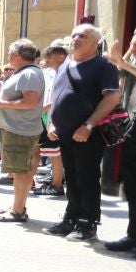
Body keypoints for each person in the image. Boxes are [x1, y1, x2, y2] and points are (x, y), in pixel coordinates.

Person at [43, 24, 122, 242]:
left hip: (87, 133)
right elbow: (57, 96)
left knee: (87, 177)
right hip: (64, 133)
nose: (76, 39)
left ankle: (88, 223)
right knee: (72, 177)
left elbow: (111, 97)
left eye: (83, 36)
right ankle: (71, 218)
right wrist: (52, 123)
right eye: (74, 35)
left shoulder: (103, 65)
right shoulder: (67, 64)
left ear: (95, 42)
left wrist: (88, 126)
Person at [0, 41, 46, 223]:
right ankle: (17, 206)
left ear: (16, 55)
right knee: (22, 170)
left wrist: (1, 103)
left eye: (9, 53)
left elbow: (30, 102)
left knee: (21, 171)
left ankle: (18, 210)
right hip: (18, 128)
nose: (8, 57)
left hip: (20, 129)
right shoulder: (27, 73)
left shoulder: (29, 74)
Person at [105, 29, 136, 257]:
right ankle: (135, 235)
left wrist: (122, 60)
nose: (133, 50)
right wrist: (122, 59)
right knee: (133, 185)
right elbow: (120, 68)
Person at [33, 43, 68, 198]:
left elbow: (58, 98)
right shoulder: (50, 72)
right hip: (46, 118)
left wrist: (43, 109)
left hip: (55, 118)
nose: (46, 60)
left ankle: (57, 185)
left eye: (49, 57)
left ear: (61, 57)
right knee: (52, 153)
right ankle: (54, 182)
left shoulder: (65, 73)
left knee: (56, 155)